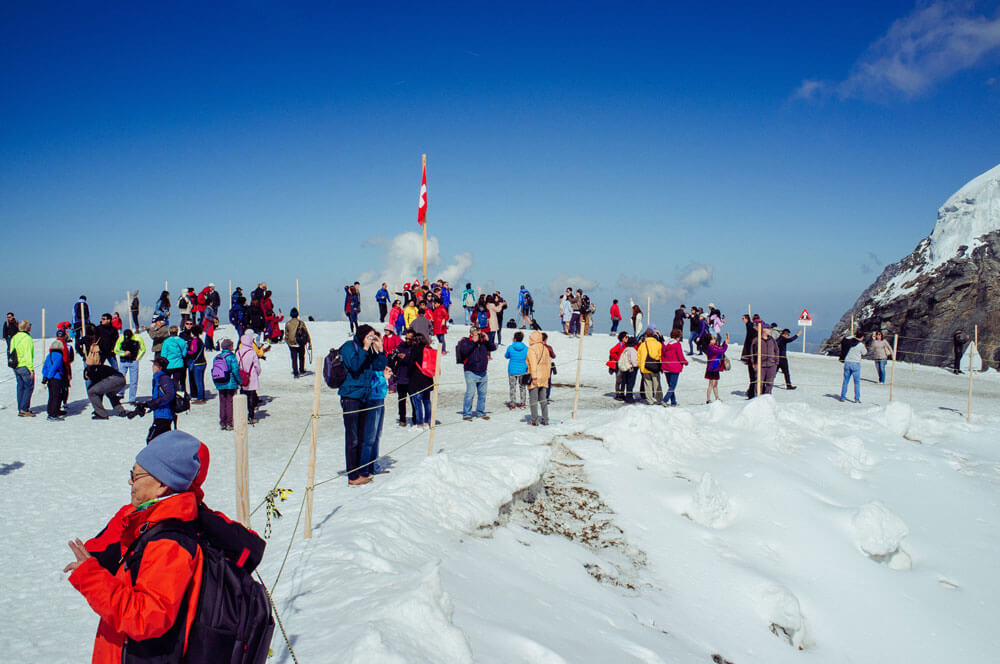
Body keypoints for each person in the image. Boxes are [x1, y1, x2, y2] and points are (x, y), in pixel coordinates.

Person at [65, 432, 209, 663]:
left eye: (136, 475)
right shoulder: (150, 523)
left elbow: (146, 617)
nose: (130, 481)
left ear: (162, 484)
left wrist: (91, 577)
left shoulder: (169, 543)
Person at [339, 325, 386, 485]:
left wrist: (379, 350)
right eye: (369, 336)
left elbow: (379, 367)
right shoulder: (349, 347)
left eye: (373, 336)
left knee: (361, 436)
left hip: (365, 397)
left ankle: (360, 470)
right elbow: (354, 366)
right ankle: (352, 476)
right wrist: (365, 348)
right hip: (351, 396)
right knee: (352, 438)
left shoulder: (367, 351)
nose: (371, 339)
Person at [456, 326, 496, 421]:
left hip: (483, 371)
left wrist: (487, 339)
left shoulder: (483, 342)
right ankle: (467, 414)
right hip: (470, 371)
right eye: (477, 333)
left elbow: (493, 348)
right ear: (471, 333)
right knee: (470, 393)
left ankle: (480, 412)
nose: (479, 335)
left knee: (482, 393)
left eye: (479, 333)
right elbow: (464, 351)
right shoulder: (465, 341)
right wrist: (473, 342)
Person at [137, 356, 176, 442]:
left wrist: (154, 403)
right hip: (159, 415)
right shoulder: (157, 378)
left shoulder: (164, 378)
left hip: (164, 415)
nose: (152, 367)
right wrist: (147, 404)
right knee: (164, 442)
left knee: (151, 440)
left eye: (154, 365)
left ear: (160, 367)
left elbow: (169, 395)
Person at [407, 332, 434, 429]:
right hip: (428, 378)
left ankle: (419, 423)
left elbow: (411, 364)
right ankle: (427, 421)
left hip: (416, 379)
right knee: (427, 401)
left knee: (417, 402)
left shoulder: (415, 349)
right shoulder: (429, 348)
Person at [212, 338, 241, 430]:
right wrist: (239, 381)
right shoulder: (231, 357)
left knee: (222, 402)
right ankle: (229, 422)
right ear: (230, 347)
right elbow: (235, 370)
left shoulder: (217, 357)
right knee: (230, 402)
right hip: (230, 382)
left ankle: (222, 422)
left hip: (219, 382)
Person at [388, 329, 415, 426]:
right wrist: (396, 355)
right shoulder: (401, 346)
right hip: (401, 377)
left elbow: (416, 361)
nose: (407, 340)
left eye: (410, 339)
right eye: (406, 338)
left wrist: (406, 357)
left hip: (412, 378)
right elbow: (393, 358)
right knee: (401, 400)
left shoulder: (415, 347)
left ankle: (415, 418)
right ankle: (402, 419)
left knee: (414, 400)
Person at [525, 331, 551, 426]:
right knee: (543, 399)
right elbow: (548, 364)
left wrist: (534, 377)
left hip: (535, 377)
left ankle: (534, 420)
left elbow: (533, 364)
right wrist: (547, 376)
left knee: (533, 400)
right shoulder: (545, 349)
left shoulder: (532, 349)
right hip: (544, 377)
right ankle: (545, 419)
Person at [10, 319, 35, 417]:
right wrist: (31, 368)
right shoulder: (27, 338)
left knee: (20, 386)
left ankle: (20, 407)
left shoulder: (15, 337)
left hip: (16, 365)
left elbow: (11, 351)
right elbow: (28, 354)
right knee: (29, 386)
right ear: (27, 328)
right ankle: (24, 409)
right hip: (24, 365)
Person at [114, 328, 146, 403]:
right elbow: (116, 349)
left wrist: (138, 358)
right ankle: (120, 393)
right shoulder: (121, 338)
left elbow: (143, 349)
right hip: (123, 361)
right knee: (121, 378)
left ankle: (132, 398)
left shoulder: (138, 338)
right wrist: (123, 353)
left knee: (133, 381)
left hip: (133, 361)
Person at [237, 331, 262, 424]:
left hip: (241, 377)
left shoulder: (238, 352)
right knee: (251, 396)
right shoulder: (252, 353)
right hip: (251, 377)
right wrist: (257, 373)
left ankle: (242, 415)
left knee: (243, 396)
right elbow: (257, 366)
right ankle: (251, 416)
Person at [749, 324, 780, 396]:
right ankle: (757, 398)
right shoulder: (757, 340)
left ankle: (767, 398)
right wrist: (753, 362)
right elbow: (752, 351)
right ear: (763, 329)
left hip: (772, 364)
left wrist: (776, 362)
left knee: (770, 383)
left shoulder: (772, 339)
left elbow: (776, 350)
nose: (770, 330)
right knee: (759, 383)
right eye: (768, 329)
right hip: (760, 365)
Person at [661, 328, 688, 406]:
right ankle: (665, 400)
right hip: (674, 367)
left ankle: (673, 401)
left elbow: (662, 355)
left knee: (670, 385)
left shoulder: (665, 343)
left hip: (666, 367)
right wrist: (685, 362)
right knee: (672, 386)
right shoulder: (677, 344)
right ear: (678, 336)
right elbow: (680, 356)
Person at [636, 327, 663, 405]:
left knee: (647, 385)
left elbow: (639, 357)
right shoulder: (658, 344)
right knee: (657, 384)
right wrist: (661, 367)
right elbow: (661, 356)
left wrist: (641, 367)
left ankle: (649, 400)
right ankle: (659, 400)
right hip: (655, 367)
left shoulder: (642, 345)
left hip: (645, 367)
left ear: (646, 336)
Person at [839, 329, 867, 403]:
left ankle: (843, 397)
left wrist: (853, 336)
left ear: (855, 335)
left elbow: (845, 338)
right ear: (862, 337)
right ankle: (857, 399)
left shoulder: (849, 342)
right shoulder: (860, 345)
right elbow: (864, 353)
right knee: (856, 382)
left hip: (847, 362)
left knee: (845, 381)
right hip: (856, 363)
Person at [41, 341, 66, 421]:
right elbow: (55, 367)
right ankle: (53, 414)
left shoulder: (49, 355)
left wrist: (45, 376)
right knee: (56, 396)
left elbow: (45, 367)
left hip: (49, 379)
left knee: (51, 396)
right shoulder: (59, 356)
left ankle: (50, 411)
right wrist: (50, 376)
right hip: (56, 378)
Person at [184, 323, 208, 404]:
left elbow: (193, 352)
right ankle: (201, 396)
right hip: (203, 362)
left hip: (197, 364)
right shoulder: (200, 340)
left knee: (198, 382)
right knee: (201, 380)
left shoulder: (194, 341)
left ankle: (200, 398)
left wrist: (186, 352)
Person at [504, 331, 529, 410]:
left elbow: (506, 356)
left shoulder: (510, 347)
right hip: (523, 370)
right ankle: (523, 403)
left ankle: (513, 404)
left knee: (512, 387)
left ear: (514, 338)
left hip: (512, 370)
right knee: (523, 387)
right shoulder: (526, 348)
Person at [161, 325, 187, 397]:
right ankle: (177, 396)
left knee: (167, 381)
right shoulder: (182, 341)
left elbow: (163, 354)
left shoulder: (166, 342)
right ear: (177, 332)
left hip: (168, 365)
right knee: (177, 381)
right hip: (179, 364)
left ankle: (169, 395)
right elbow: (184, 353)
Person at [285, 308, 311, 378]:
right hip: (300, 342)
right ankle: (301, 370)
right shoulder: (301, 323)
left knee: (294, 358)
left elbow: (286, 334)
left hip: (292, 343)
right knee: (301, 357)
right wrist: (309, 342)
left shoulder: (288, 323)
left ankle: (296, 372)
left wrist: (288, 342)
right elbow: (306, 332)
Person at [705, 333, 729, 403]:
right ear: (709, 341)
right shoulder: (710, 347)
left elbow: (721, 348)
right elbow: (720, 351)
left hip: (716, 367)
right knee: (711, 384)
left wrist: (725, 342)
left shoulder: (715, 346)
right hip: (711, 368)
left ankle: (717, 398)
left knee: (715, 384)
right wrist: (726, 345)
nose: (715, 339)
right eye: (713, 339)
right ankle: (708, 399)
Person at [617, 336, 639, 403]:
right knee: (631, 383)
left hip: (626, 368)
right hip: (631, 368)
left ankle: (628, 396)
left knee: (627, 383)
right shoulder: (632, 350)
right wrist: (637, 365)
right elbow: (634, 360)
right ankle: (629, 397)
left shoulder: (626, 349)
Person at [608, 332, 629, 401]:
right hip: (619, 364)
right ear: (622, 338)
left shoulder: (626, 345)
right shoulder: (620, 345)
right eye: (626, 337)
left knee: (624, 380)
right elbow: (612, 351)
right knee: (619, 380)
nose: (627, 338)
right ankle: (618, 394)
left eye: (628, 337)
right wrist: (617, 358)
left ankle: (622, 394)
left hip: (624, 364)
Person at [741, 315, 757, 397]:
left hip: (752, 354)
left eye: (743, 318)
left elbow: (750, 336)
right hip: (750, 352)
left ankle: (752, 392)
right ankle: (751, 392)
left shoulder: (750, 325)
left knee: (754, 376)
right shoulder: (748, 325)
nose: (742, 320)